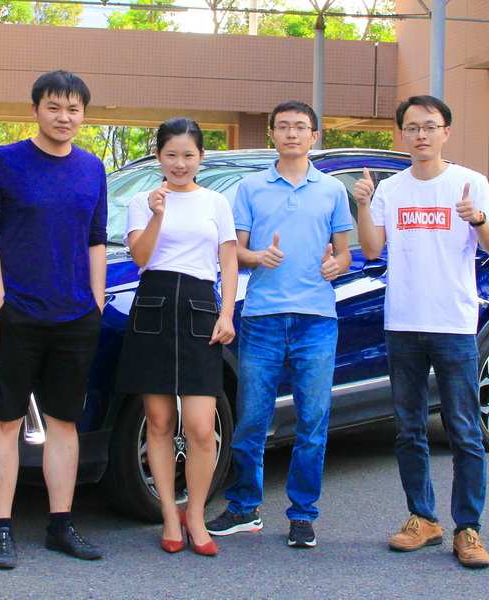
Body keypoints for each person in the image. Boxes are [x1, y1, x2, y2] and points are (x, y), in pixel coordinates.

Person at [352, 95, 489, 569]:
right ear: (402, 134)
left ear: (445, 132)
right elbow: (372, 249)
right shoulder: (392, 189)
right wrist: (362, 205)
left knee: (464, 430)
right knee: (409, 428)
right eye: (413, 127)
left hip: (453, 324)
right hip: (403, 322)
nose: (421, 135)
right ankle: (423, 518)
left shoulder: (469, 183)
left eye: (430, 126)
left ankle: (468, 528)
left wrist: (477, 219)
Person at [0, 70, 107, 570]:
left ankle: (60, 524)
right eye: (54, 107)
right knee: (6, 420)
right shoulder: (6, 161)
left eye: (73, 109)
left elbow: (97, 239)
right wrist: (0, 301)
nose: (63, 117)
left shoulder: (92, 168)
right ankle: (2, 528)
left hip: (75, 315)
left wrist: (95, 302)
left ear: (83, 115)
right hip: (19, 313)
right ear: (35, 110)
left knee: (64, 422)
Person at [206, 100, 353, 549]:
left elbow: (345, 253)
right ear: (272, 133)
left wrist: (337, 265)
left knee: (313, 422)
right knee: (252, 419)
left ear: (314, 136)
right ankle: (244, 507)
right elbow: (235, 251)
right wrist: (258, 257)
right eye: (284, 126)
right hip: (263, 317)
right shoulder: (250, 188)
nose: (292, 133)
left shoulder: (332, 190)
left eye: (300, 127)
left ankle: (303, 515)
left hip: (317, 320)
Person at [115, 117, 238, 557]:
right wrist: (157, 214)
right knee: (159, 421)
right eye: (171, 155)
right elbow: (141, 257)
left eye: (188, 155)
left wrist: (227, 313)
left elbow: (228, 261)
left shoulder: (216, 202)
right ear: (158, 157)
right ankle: (170, 514)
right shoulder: (142, 201)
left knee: (202, 426)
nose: (180, 163)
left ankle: (196, 514)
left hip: (201, 307)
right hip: (155, 304)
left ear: (201, 157)